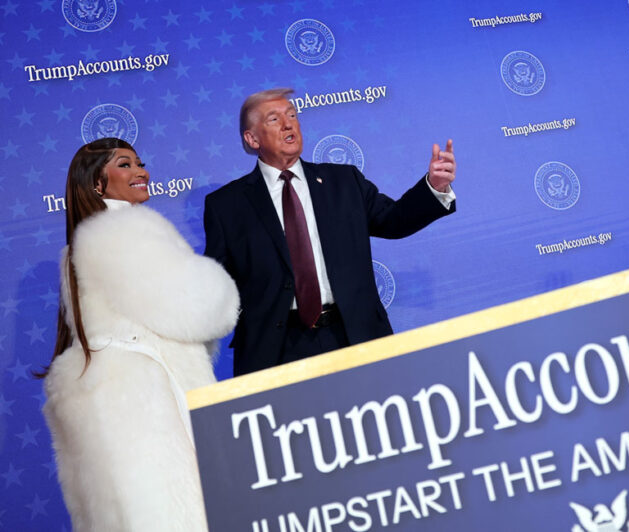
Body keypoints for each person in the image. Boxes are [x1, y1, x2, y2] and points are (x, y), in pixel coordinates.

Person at [41, 138, 240, 531]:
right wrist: (224, 289)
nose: (141, 171)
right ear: (98, 183)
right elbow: (197, 308)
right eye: (125, 165)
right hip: (148, 403)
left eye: (140, 163)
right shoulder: (125, 233)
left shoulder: (80, 243)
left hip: (116, 404)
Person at [204, 88, 456, 376]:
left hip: (354, 335)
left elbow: (395, 220)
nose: (288, 124)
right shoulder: (227, 205)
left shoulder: (343, 181)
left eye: (292, 115)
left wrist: (434, 187)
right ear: (252, 139)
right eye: (274, 119)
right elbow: (217, 282)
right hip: (278, 350)